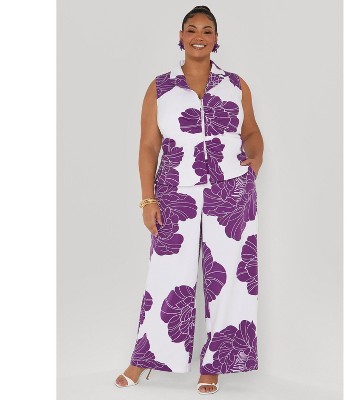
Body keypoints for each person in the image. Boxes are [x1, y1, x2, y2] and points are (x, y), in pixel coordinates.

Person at [115, 5, 264, 395]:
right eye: (192, 29)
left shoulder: (236, 85)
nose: (200, 36)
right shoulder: (160, 87)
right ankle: (145, 358)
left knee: (230, 278)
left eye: (207, 30)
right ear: (180, 37)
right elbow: (149, 146)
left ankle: (214, 365)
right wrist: (147, 200)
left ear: (216, 40)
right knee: (168, 275)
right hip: (175, 193)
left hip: (232, 192)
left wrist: (255, 157)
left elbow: (251, 131)